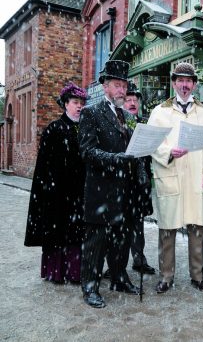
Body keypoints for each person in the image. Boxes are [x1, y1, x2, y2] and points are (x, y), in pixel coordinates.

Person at [78, 60, 143, 308]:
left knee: (121, 239)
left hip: (125, 190)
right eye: (117, 85)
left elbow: (132, 148)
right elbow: (87, 151)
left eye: (124, 85)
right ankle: (90, 286)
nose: (121, 90)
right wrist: (115, 159)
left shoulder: (127, 116)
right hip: (101, 190)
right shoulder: (91, 113)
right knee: (97, 242)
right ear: (105, 86)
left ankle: (119, 277)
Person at [147, 62, 203, 293]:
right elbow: (152, 143)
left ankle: (197, 275)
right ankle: (166, 276)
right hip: (171, 173)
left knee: (198, 228)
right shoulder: (159, 112)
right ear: (174, 83)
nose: (184, 85)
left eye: (189, 81)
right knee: (168, 230)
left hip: (195, 175)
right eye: (180, 81)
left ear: (194, 84)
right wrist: (168, 152)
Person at [24, 82, 88, 284]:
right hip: (56, 193)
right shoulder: (54, 129)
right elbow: (44, 165)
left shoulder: (85, 129)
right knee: (57, 232)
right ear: (65, 104)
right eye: (75, 102)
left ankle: (75, 272)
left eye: (82, 103)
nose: (79, 106)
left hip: (79, 191)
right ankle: (56, 273)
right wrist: (48, 190)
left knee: (77, 232)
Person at [123, 82, 156, 275]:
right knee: (119, 224)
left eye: (135, 99)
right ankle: (115, 263)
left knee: (138, 222)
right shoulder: (117, 121)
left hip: (141, 181)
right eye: (128, 99)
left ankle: (139, 258)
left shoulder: (145, 123)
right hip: (122, 180)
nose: (133, 102)